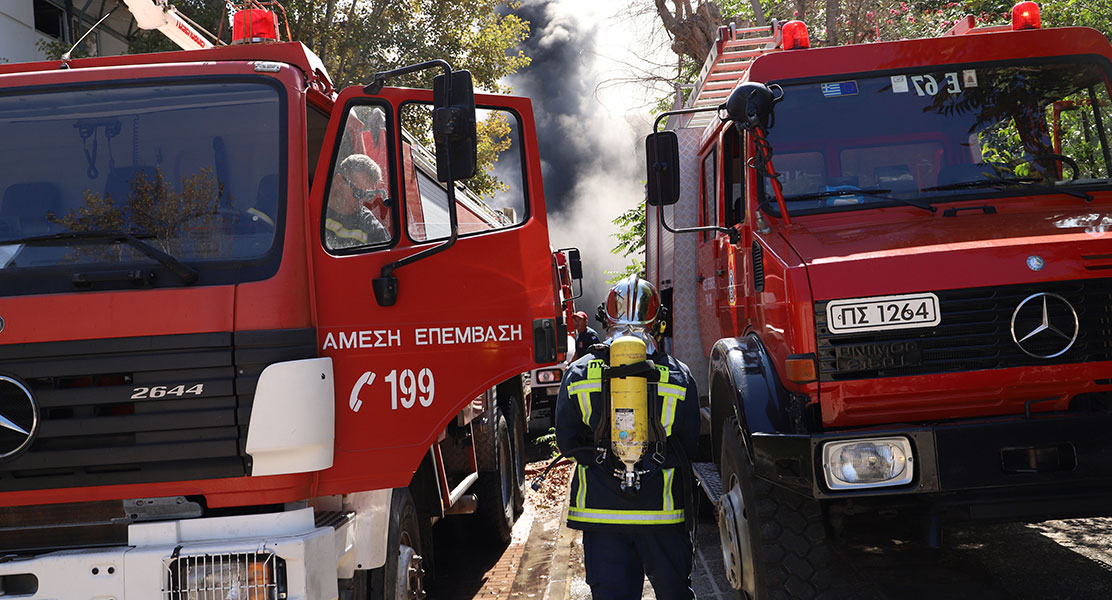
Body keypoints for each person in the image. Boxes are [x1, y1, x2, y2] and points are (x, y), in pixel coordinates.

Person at [555, 275, 700, 600]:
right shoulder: (678, 376)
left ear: (606, 318)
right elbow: (690, 445)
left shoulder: (578, 373)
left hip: (600, 515)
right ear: (657, 321)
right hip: (661, 514)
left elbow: (566, 441)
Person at [325, 154, 390, 249]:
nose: (362, 201)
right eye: (358, 193)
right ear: (338, 181)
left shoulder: (371, 228)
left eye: (367, 195)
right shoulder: (310, 203)